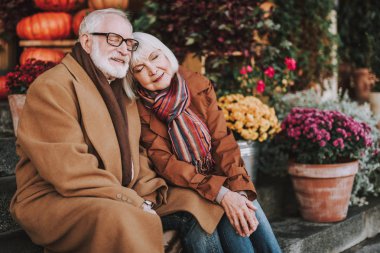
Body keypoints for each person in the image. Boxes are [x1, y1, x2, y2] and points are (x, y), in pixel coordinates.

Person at [10, 9, 168, 253]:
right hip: (55, 198)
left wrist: (146, 194)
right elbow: (68, 168)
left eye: (128, 42)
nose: (125, 49)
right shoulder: (52, 87)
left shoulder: (121, 90)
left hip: (113, 191)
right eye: (114, 39)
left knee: (198, 203)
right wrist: (131, 200)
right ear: (86, 41)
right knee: (122, 218)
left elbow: (138, 152)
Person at [126, 32, 282, 253]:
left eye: (154, 57)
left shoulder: (197, 85)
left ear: (166, 54)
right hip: (180, 187)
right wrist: (221, 193)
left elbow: (223, 142)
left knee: (247, 207)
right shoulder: (139, 110)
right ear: (133, 78)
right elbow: (167, 165)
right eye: (139, 69)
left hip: (213, 176)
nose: (152, 70)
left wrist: (237, 191)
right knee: (225, 211)